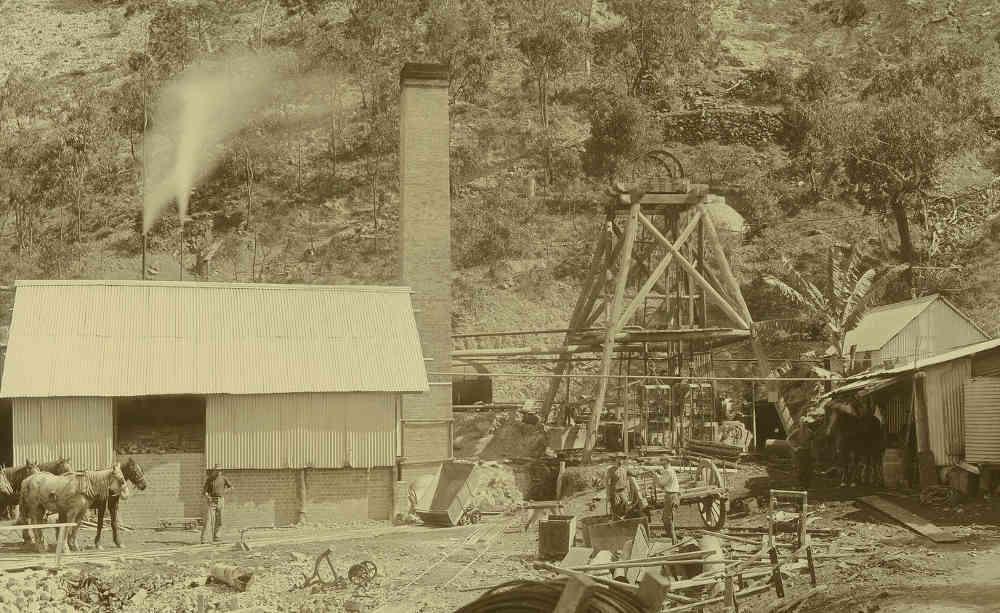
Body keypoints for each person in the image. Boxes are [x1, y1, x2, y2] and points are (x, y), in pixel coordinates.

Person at [201, 464, 233, 544]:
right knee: (208, 520)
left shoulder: (224, 479)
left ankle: (216, 537)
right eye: (217, 470)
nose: (218, 471)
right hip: (212, 501)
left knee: (219, 520)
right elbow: (205, 491)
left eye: (220, 470)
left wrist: (225, 492)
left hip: (220, 500)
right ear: (214, 470)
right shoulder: (209, 479)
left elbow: (231, 487)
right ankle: (204, 539)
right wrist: (207, 496)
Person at [659, 457, 681, 544]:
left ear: (667, 461)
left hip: (670, 496)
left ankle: (674, 539)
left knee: (667, 518)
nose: (661, 462)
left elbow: (661, 484)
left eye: (662, 460)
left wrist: (655, 476)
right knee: (668, 518)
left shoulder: (667, 471)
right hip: (674, 495)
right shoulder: (671, 470)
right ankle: (672, 537)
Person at [794, 418, 814, 490]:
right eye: (802, 423)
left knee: (808, 468)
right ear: (800, 423)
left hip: (807, 452)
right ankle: (800, 485)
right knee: (800, 468)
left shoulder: (810, 432)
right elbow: (788, 439)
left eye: (805, 423)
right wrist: (795, 448)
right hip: (800, 452)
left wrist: (812, 453)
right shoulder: (797, 431)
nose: (804, 424)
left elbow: (812, 444)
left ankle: (807, 486)